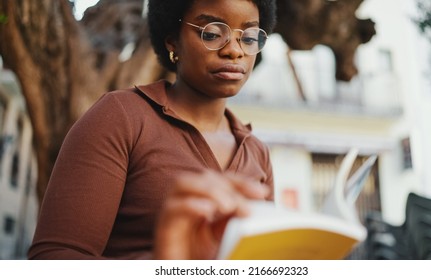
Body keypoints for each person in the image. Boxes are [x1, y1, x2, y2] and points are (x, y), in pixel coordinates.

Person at [28, 0, 277, 260]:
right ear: (172, 41)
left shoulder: (257, 151)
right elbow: (54, 258)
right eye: (212, 34)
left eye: (248, 38)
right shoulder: (120, 117)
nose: (235, 51)